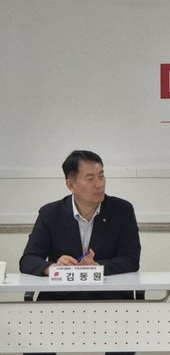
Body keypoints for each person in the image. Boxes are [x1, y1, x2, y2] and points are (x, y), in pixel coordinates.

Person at [20, 150, 141, 355]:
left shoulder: (122, 210)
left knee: (123, 335)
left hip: (110, 298)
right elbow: (28, 260)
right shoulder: (50, 213)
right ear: (71, 185)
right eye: (90, 178)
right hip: (60, 298)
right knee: (35, 341)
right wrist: (53, 268)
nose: (99, 184)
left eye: (101, 176)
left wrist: (98, 267)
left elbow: (131, 259)